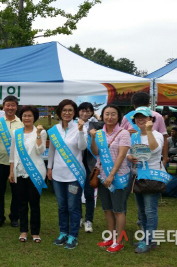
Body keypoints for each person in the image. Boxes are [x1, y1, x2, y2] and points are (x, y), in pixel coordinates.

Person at [90, 104, 131, 253]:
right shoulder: (99, 133)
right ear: (103, 116)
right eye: (107, 114)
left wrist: (112, 174)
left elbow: (121, 156)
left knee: (119, 210)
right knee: (107, 209)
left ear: (118, 116)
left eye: (113, 114)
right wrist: (93, 139)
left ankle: (119, 241)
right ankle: (111, 237)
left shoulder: (124, 133)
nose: (110, 117)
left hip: (118, 177)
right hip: (102, 177)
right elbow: (95, 152)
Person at [47, 99, 87, 249]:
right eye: (64, 110)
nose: (67, 113)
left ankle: (73, 235)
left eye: (70, 110)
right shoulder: (54, 130)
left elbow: (82, 147)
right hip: (57, 175)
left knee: (73, 206)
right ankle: (63, 232)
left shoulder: (78, 128)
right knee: (62, 206)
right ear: (59, 112)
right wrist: (49, 168)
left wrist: (82, 131)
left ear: (74, 112)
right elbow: (52, 151)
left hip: (74, 176)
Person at [126, 107, 166, 253]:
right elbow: (129, 153)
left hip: (152, 177)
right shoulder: (134, 136)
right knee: (141, 210)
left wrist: (148, 131)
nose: (140, 119)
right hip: (138, 176)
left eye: (144, 117)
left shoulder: (157, 134)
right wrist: (129, 157)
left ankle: (148, 241)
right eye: (137, 117)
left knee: (150, 210)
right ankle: (148, 239)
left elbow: (155, 150)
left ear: (151, 119)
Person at [8, 105, 47, 243]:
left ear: (34, 117)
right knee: (21, 203)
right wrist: (11, 171)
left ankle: (35, 232)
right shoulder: (16, 133)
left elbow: (40, 150)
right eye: (24, 115)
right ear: (21, 117)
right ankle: (23, 231)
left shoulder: (41, 132)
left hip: (35, 172)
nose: (27, 118)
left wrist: (37, 135)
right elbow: (12, 153)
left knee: (34, 203)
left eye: (30, 115)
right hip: (19, 172)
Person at [0, 95, 23, 228]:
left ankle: (14, 217)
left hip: (16, 163)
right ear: (3, 106)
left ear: (16, 107)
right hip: (0, 162)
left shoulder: (22, 122)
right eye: (8, 105)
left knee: (17, 192)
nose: (10, 108)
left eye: (13, 105)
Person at [77, 102, 103, 233]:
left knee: (89, 193)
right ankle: (79, 217)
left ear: (92, 112)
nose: (85, 113)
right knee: (75, 192)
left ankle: (89, 220)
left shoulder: (97, 125)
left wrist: (98, 119)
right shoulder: (72, 124)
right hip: (75, 162)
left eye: (88, 111)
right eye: (82, 111)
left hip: (90, 164)